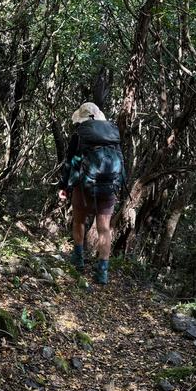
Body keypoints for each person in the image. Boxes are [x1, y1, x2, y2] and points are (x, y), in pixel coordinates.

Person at [57, 102, 125, 284]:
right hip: (109, 187)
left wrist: (64, 186)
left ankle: (78, 260)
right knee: (104, 228)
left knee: (79, 220)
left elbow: (70, 161)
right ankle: (102, 272)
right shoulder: (112, 132)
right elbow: (121, 161)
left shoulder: (80, 134)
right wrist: (119, 185)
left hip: (83, 185)